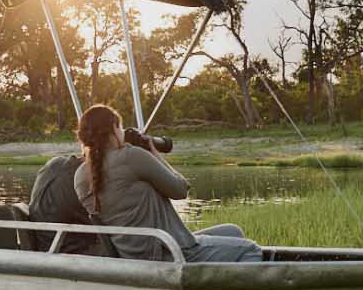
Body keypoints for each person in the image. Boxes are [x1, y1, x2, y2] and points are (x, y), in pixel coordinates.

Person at [72, 104, 262, 262]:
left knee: (233, 231)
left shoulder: (80, 176)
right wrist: (154, 154)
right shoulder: (131, 157)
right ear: (113, 128)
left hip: (134, 256)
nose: (123, 132)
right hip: (169, 253)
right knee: (251, 250)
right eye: (120, 128)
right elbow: (181, 190)